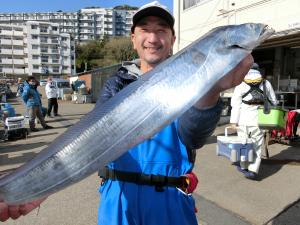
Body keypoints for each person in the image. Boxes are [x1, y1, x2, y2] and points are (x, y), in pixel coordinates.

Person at [0, 1, 253, 222]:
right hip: (118, 198)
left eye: (161, 31)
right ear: (133, 38)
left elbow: (194, 137)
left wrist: (212, 90)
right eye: (145, 30)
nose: (153, 38)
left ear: (173, 39)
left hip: (171, 201)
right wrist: (41, 186)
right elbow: (91, 143)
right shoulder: (116, 84)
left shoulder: (195, 80)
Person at [230, 63, 278, 179]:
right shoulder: (266, 83)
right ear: (259, 71)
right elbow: (274, 102)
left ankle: (243, 166)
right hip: (259, 119)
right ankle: (252, 170)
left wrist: (233, 122)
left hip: (243, 120)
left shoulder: (241, 84)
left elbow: (235, 105)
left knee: (243, 143)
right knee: (257, 145)